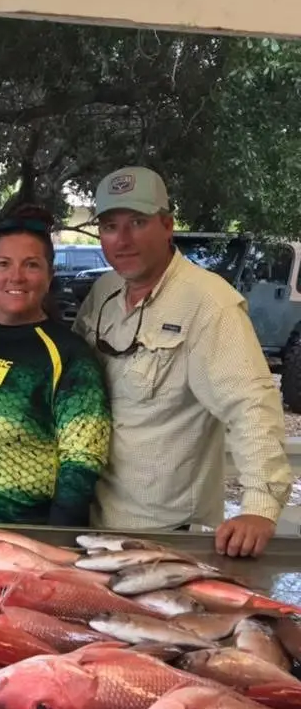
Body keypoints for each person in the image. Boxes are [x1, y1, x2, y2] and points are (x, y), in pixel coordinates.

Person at [73, 165, 292, 557]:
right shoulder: (103, 292)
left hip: (164, 534)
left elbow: (251, 404)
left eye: (137, 222)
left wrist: (260, 506)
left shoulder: (209, 303)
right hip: (91, 519)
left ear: (167, 225)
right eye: (109, 226)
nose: (121, 240)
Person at [0, 206, 111, 527]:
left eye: (31, 265)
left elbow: (82, 462)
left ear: (49, 276)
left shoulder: (68, 357)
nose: (16, 276)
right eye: (3, 264)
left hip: (24, 543)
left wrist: (55, 542)